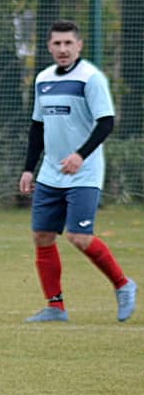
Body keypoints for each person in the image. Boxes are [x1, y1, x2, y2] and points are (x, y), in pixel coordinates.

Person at [19, 20, 136, 323]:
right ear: (49, 46)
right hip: (50, 173)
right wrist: (29, 169)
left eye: (68, 43)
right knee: (42, 235)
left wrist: (80, 155)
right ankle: (55, 307)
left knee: (79, 236)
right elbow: (37, 127)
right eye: (57, 43)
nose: (63, 49)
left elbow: (106, 122)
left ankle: (123, 284)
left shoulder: (91, 78)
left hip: (84, 173)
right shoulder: (43, 79)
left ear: (79, 45)